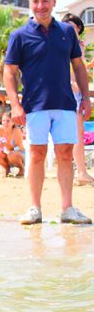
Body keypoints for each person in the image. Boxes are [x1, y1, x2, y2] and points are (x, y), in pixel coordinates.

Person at [4, 0, 91, 224]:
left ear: (54, 2)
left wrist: (85, 98)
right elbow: (9, 72)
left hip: (65, 104)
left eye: (45, 0)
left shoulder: (67, 32)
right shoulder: (19, 36)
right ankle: (35, 209)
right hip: (34, 106)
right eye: (36, 1)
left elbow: (78, 66)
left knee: (65, 154)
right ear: (30, 3)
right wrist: (15, 104)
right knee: (36, 154)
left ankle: (67, 208)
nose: (40, 6)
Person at [62, 12, 93, 186]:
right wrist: (72, 82)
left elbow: (79, 68)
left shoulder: (77, 45)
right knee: (74, 133)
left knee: (77, 133)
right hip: (69, 91)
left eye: (74, 27)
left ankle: (80, 171)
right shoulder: (63, 43)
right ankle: (80, 172)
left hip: (76, 92)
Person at [0, 111, 25, 177]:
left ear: (13, 122)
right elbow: (2, 146)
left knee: (12, 154)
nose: (5, 123)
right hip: (9, 153)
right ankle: (7, 169)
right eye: (3, 120)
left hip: (20, 154)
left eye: (8, 121)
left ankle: (22, 169)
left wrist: (6, 145)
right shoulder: (0, 130)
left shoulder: (16, 130)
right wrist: (0, 146)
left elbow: (19, 147)